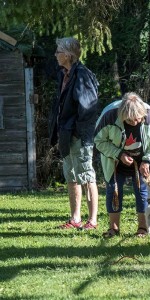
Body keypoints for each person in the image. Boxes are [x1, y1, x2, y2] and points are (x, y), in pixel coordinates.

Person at [94, 92, 150, 237]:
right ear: (123, 115)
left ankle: (143, 228)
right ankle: (113, 228)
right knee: (113, 190)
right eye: (131, 120)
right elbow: (99, 141)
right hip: (115, 160)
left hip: (142, 161)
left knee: (142, 191)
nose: (135, 122)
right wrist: (119, 154)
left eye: (139, 119)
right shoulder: (109, 116)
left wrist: (146, 160)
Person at [49, 37, 99, 230]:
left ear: (68, 55)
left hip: (79, 135)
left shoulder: (82, 75)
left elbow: (88, 108)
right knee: (71, 177)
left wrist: (77, 131)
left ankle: (92, 221)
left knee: (87, 177)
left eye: (58, 51)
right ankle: (75, 219)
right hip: (66, 135)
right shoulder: (65, 74)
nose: (55, 55)